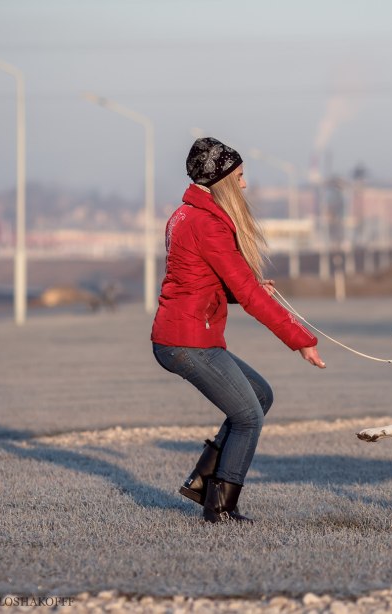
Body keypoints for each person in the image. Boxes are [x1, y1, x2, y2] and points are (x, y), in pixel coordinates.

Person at [151, 137, 325, 524]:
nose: (244, 185)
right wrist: (301, 341)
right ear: (221, 180)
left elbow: (197, 280)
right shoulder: (206, 223)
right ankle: (221, 508)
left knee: (259, 396)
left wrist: (241, 289)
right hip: (186, 341)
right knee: (248, 416)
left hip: (189, 335)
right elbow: (247, 295)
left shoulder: (185, 215)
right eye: (240, 176)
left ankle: (203, 482)